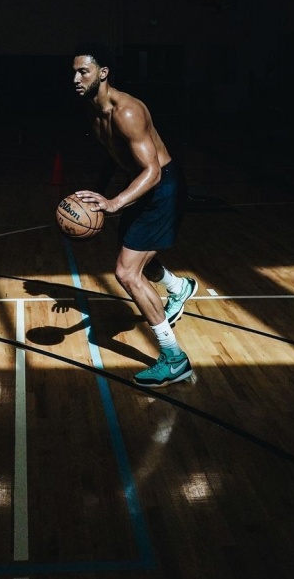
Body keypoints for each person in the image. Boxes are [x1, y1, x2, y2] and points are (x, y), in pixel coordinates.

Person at [72, 44, 198, 388]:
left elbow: (153, 171)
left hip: (160, 187)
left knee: (127, 273)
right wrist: (95, 191)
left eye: (83, 71)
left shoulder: (127, 112)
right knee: (134, 252)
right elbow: (115, 152)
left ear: (103, 73)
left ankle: (175, 359)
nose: (76, 78)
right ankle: (179, 287)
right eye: (73, 72)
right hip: (139, 183)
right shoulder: (92, 110)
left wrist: (114, 202)